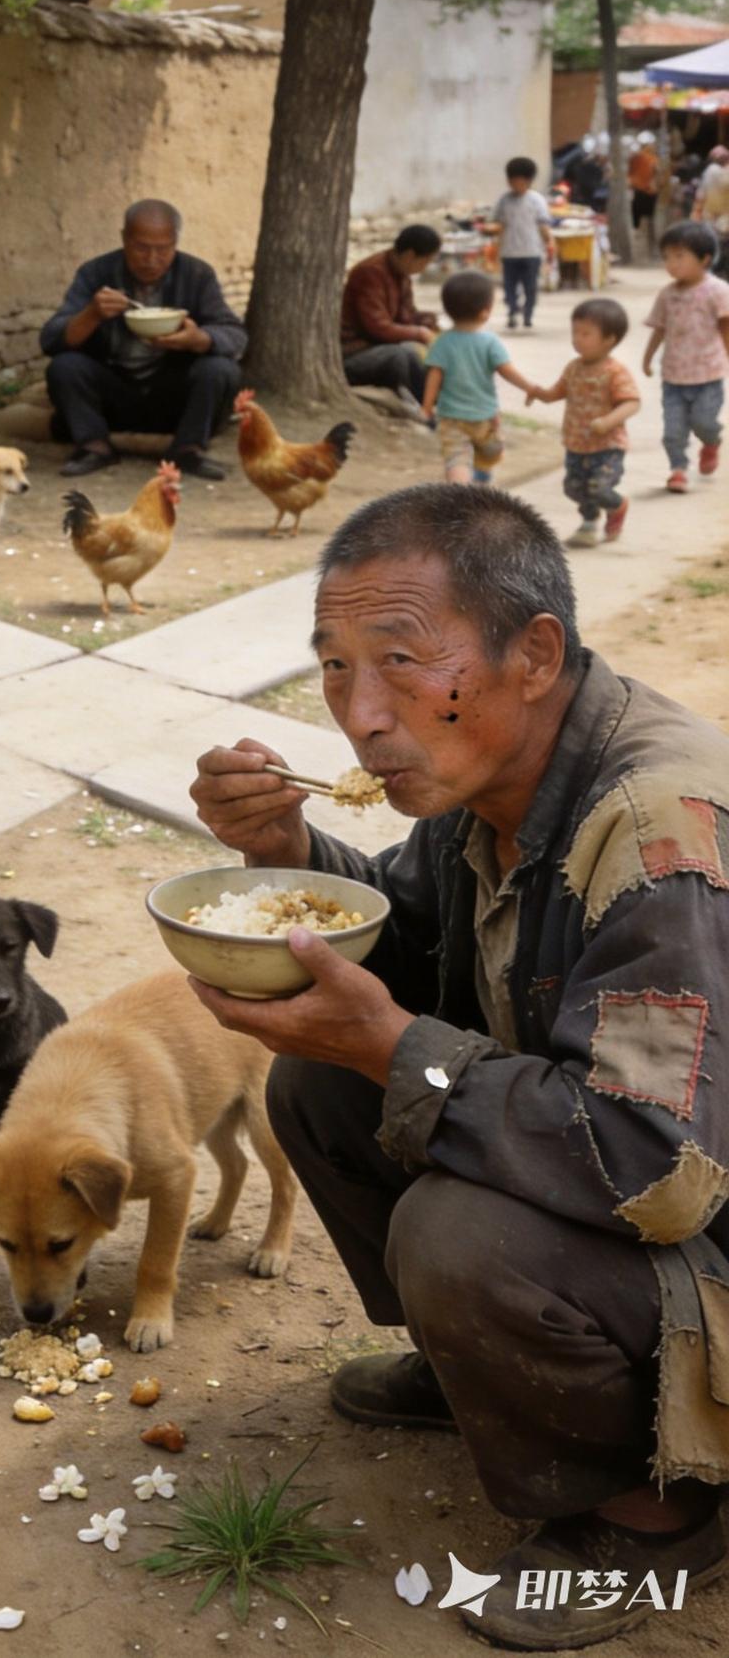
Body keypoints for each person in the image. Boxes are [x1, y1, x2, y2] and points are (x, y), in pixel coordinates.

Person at [188, 485, 729, 1651]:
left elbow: (659, 1168)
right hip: (642, 1186)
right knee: (319, 1085)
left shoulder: (651, 829)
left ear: (532, 654)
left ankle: (659, 1508)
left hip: (705, 1220)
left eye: (397, 661)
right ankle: (478, 1367)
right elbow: (422, 930)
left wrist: (392, 1048)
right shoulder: (490, 778)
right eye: (333, 666)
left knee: (453, 1227)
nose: (360, 717)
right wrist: (287, 851)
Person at [40, 200, 246, 481]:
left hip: (174, 398)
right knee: (64, 366)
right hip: (114, 396)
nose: (151, 259)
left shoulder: (197, 274)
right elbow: (50, 339)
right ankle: (94, 446)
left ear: (175, 242)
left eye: (163, 249)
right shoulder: (96, 273)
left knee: (221, 369)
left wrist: (198, 339)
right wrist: (91, 314)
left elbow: (235, 335)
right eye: (141, 247)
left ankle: (188, 449)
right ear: (124, 239)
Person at [526, 297, 640, 547]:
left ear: (609, 339)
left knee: (598, 488)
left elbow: (632, 402)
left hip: (607, 445)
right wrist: (538, 393)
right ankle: (589, 521)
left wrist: (609, 421)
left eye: (585, 334)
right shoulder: (573, 368)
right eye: (574, 332)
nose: (577, 339)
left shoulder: (615, 372)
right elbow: (557, 392)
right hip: (576, 444)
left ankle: (617, 506)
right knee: (573, 488)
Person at [420, 270, 535, 486]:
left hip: (450, 417)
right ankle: (479, 483)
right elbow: (506, 370)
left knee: (456, 458)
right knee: (489, 453)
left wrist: (426, 406)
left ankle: (460, 491)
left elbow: (434, 375)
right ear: (485, 311)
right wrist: (529, 387)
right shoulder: (489, 342)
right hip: (485, 415)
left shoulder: (442, 342)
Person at [643, 218, 729, 493]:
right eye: (667, 257)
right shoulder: (667, 295)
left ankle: (711, 441)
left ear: (704, 258)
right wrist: (647, 358)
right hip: (674, 377)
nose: (672, 263)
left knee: (704, 422)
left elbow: (725, 327)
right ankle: (678, 469)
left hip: (708, 375)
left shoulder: (717, 291)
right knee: (673, 431)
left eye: (680, 256)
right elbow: (659, 328)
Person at [339, 225, 442, 413]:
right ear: (410, 255)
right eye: (425, 261)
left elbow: (406, 316)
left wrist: (427, 324)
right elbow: (377, 327)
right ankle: (427, 406)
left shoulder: (402, 273)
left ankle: (437, 402)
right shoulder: (370, 273)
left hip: (375, 346)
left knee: (430, 351)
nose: (424, 268)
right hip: (352, 353)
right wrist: (419, 333)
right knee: (402, 355)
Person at [492, 156, 554, 332]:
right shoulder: (504, 200)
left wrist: (549, 243)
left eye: (517, 180)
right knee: (509, 285)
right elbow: (499, 225)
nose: (513, 184)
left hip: (532, 251)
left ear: (528, 181)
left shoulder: (537, 200)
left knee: (530, 286)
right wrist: (496, 245)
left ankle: (528, 314)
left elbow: (543, 225)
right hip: (509, 252)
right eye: (511, 180)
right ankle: (512, 311)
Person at [627, 133, 661, 258]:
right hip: (649, 192)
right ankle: (650, 248)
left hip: (639, 191)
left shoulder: (635, 158)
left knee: (637, 220)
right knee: (649, 220)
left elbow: (629, 174)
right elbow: (657, 173)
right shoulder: (652, 159)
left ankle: (641, 247)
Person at [694, 142, 729, 248]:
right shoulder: (714, 171)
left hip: (713, 217)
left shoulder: (709, 171)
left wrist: (697, 212)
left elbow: (700, 196)